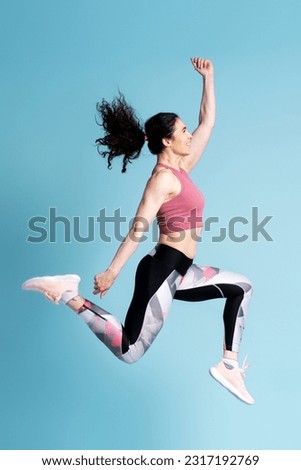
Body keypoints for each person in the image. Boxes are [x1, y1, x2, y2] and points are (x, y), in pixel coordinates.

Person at [22, 58, 255, 405]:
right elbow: (138, 227)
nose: (190, 135)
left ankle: (228, 365)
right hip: (161, 269)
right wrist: (113, 271)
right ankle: (69, 293)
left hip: (180, 271)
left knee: (242, 287)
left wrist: (209, 78)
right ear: (166, 140)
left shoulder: (183, 169)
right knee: (130, 351)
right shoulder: (162, 179)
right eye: (183, 132)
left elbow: (208, 121)